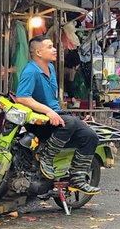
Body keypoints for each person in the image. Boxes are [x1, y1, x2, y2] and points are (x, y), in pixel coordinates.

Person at [14, 34, 101, 195]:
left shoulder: (51, 68)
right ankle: (46, 156)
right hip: (39, 121)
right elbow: (22, 97)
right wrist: (48, 111)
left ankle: (77, 178)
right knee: (69, 123)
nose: (54, 49)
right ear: (38, 52)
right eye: (49, 47)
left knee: (90, 136)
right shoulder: (31, 71)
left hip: (56, 116)